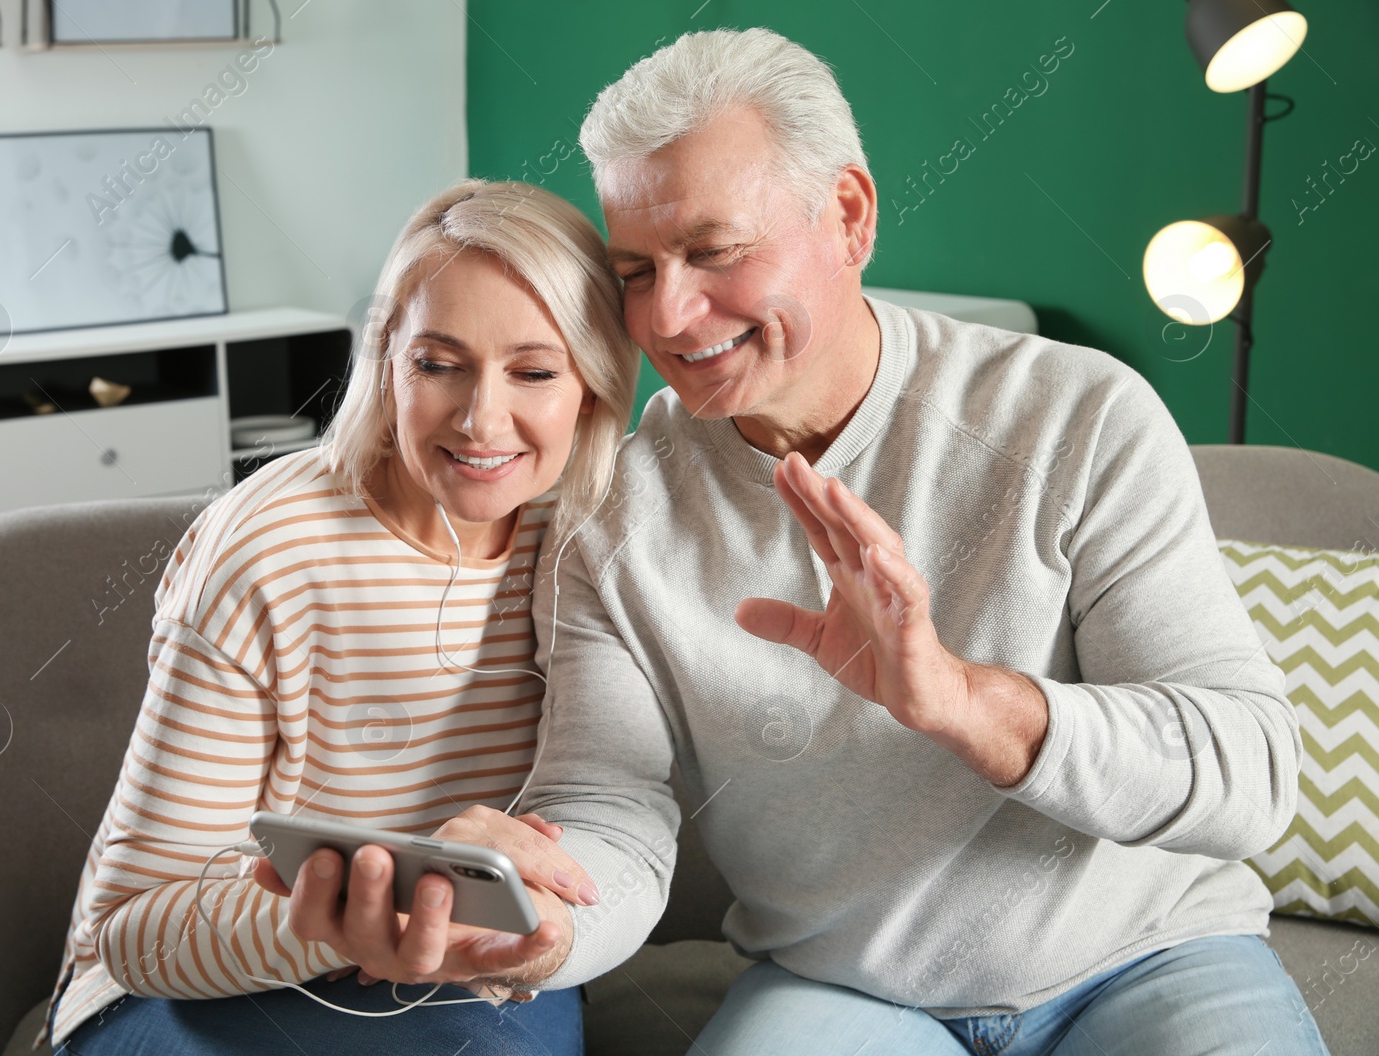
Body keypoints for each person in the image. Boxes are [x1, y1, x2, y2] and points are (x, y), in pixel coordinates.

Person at [285, 28, 1333, 1056]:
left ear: (847, 213)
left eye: (714, 251)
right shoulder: (612, 506)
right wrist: (541, 930)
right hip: (848, 991)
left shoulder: (1076, 416)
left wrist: (966, 704)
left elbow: (1249, 774)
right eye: (636, 270)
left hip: (1150, 957)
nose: (673, 317)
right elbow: (609, 806)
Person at [34, 178, 638, 1056]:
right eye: (439, 364)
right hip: (192, 989)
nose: (482, 419)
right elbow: (133, 933)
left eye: (535, 371)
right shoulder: (266, 553)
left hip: (457, 974)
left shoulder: (589, 527)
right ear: (386, 358)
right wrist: (339, 923)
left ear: (592, 384)